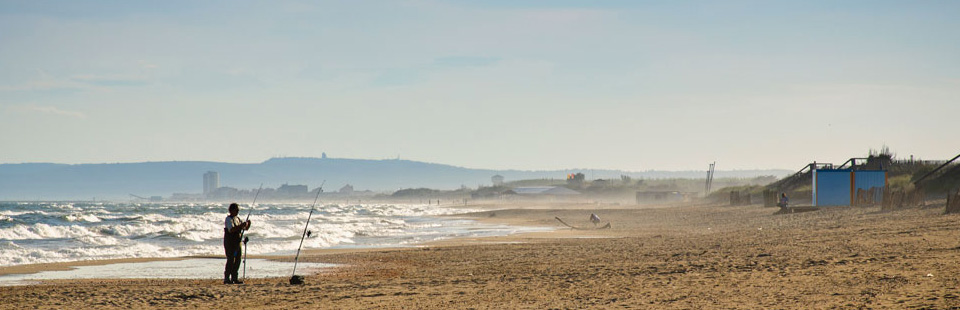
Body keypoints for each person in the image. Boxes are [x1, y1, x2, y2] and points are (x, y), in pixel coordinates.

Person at [223, 203, 251, 284]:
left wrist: (248, 225)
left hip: (237, 242)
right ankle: (227, 278)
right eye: (236, 210)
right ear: (231, 210)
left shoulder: (237, 219)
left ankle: (234, 278)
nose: (238, 211)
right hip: (230, 243)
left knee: (238, 260)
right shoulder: (228, 219)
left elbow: (244, 228)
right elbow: (231, 230)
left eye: (238, 210)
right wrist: (241, 226)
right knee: (231, 259)